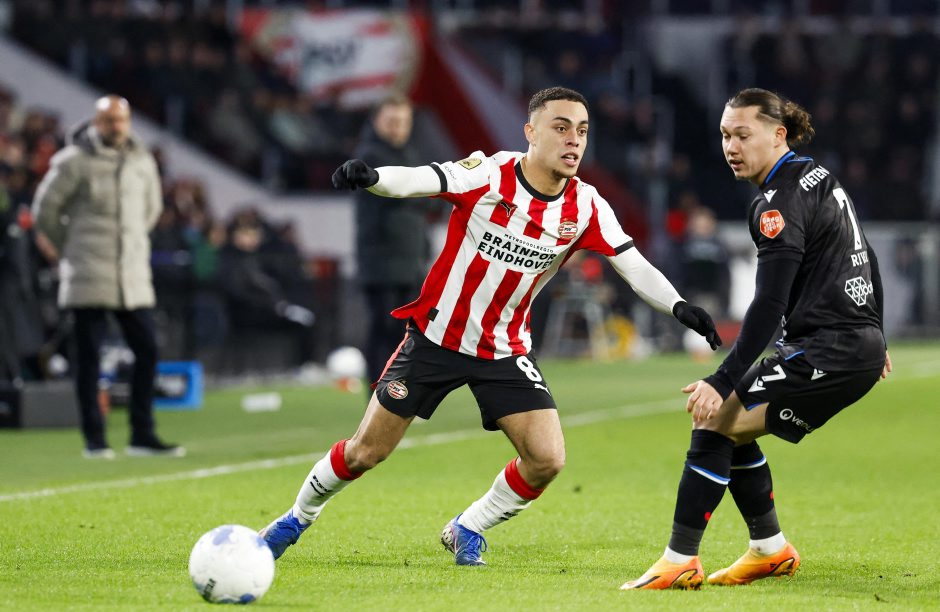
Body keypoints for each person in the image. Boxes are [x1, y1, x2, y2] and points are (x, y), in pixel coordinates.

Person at [259, 86, 721, 566]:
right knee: (365, 452)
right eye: (561, 128)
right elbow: (421, 178)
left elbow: (633, 263)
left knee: (547, 459)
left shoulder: (586, 206)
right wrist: (375, 177)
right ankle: (294, 519)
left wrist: (679, 306)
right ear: (531, 133)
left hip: (504, 349)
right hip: (437, 339)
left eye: (582, 131)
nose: (573, 141)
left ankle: (468, 526)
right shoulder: (489, 173)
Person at [622, 88, 890, 590]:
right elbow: (866, 254)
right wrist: (877, 331)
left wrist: (721, 378)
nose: (732, 147)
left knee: (713, 421)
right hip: (847, 343)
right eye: (726, 135)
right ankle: (769, 549)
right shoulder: (817, 175)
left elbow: (768, 304)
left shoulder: (777, 204)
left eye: (743, 135)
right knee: (733, 426)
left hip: (828, 349)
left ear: (778, 134)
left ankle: (680, 559)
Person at [32, 95, 184, 459]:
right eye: (110, 120)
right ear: (96, 122)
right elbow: (45, 211)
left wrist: (131, 242)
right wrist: (70, 247)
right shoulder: (73, 161)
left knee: (147, 349)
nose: (117, 126)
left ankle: (142, 435)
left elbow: (151, 210)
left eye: (121, 119)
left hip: (132, 274)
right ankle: (94, 439)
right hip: (88, 272)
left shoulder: (142, 160)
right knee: (88, 358)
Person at [354, 94, 439, 385]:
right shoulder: (369, 157)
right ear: (375, 121)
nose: (398, 128)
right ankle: (379, 394)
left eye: (403, 121)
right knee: (384, 331)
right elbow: (409, 194)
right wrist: (423, 192)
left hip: (410, 261)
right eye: (391, 121)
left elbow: (425, 196)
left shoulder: (410, 154)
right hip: (381, 262)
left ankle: (397, 393)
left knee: (405, 334)